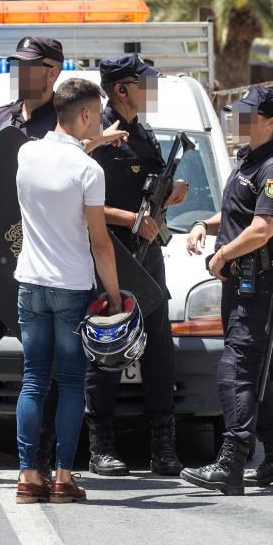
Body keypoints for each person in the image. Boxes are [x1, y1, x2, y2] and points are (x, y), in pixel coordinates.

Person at [0, 36, 123, 483]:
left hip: (46, 264)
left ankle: (45, 457)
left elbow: (79, 195)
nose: (22, 73)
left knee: (47, 366)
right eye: (18, 65)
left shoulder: (68, 122)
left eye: (32, 66)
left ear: (54, 71)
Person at [181, 86, 273, 495]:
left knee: (235, 367)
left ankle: (231, 462)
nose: (238, 120)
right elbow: (238, 213)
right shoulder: (251, 162)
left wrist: (220, 258)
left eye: (247, 115)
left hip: (261, 282)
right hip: (245, 280)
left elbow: (262, 228)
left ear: (270, 123)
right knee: (256, 368)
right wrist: (205, 224)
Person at [13, 78, 123, 505]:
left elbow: (63, 158)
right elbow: (100, 242)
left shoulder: (26, 153)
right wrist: (113, 295)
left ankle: (27, 476)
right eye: (96, 114)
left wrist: (93, 144)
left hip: (30, 284)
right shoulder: (88, 171)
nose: (99, 122)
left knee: (33, 381)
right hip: (72, 286)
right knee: (73, 382)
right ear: (83, 115)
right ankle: (62, 475)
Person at [84, 54, 188, 477]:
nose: (154, 88)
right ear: (121, 88)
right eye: (146, 81)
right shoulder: (97, 135)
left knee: (159, 347)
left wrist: (174, 190)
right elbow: (81, 202)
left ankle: (163, 445)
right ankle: (100, 445)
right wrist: (131, 220)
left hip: (150, 253)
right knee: (109, 345)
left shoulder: (143, 131)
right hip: (110, 253)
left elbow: (156, 182)